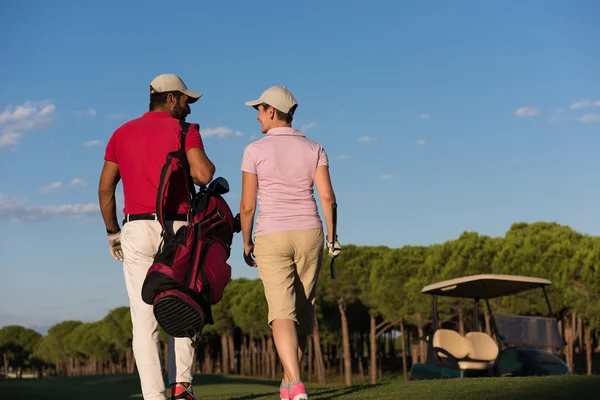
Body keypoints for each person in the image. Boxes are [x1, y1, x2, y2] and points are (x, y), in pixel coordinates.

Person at [98, 73, 216, 400]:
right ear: (171, 98)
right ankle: (182, 387)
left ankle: (154, 396)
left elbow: (106, 187)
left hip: (135, 230)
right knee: (184, 305)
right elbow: (204, 174)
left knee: (143, 319)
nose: (189, 109)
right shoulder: (184, 130)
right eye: (186, 101)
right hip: (177, 229)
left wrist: (112, 233)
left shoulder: (120, 133)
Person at [239, 86, 341, 400]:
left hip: (271, 234)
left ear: (272, 111)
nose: (256, 115)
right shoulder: (315, 148)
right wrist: (332, 237)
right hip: (310, 231)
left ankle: (296, 384)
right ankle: (287, 384)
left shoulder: (254, 150)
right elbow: (328, 198)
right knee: (302, 309)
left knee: (282, 313)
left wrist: (246, 243)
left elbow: (247, 206)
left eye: (259, 109)